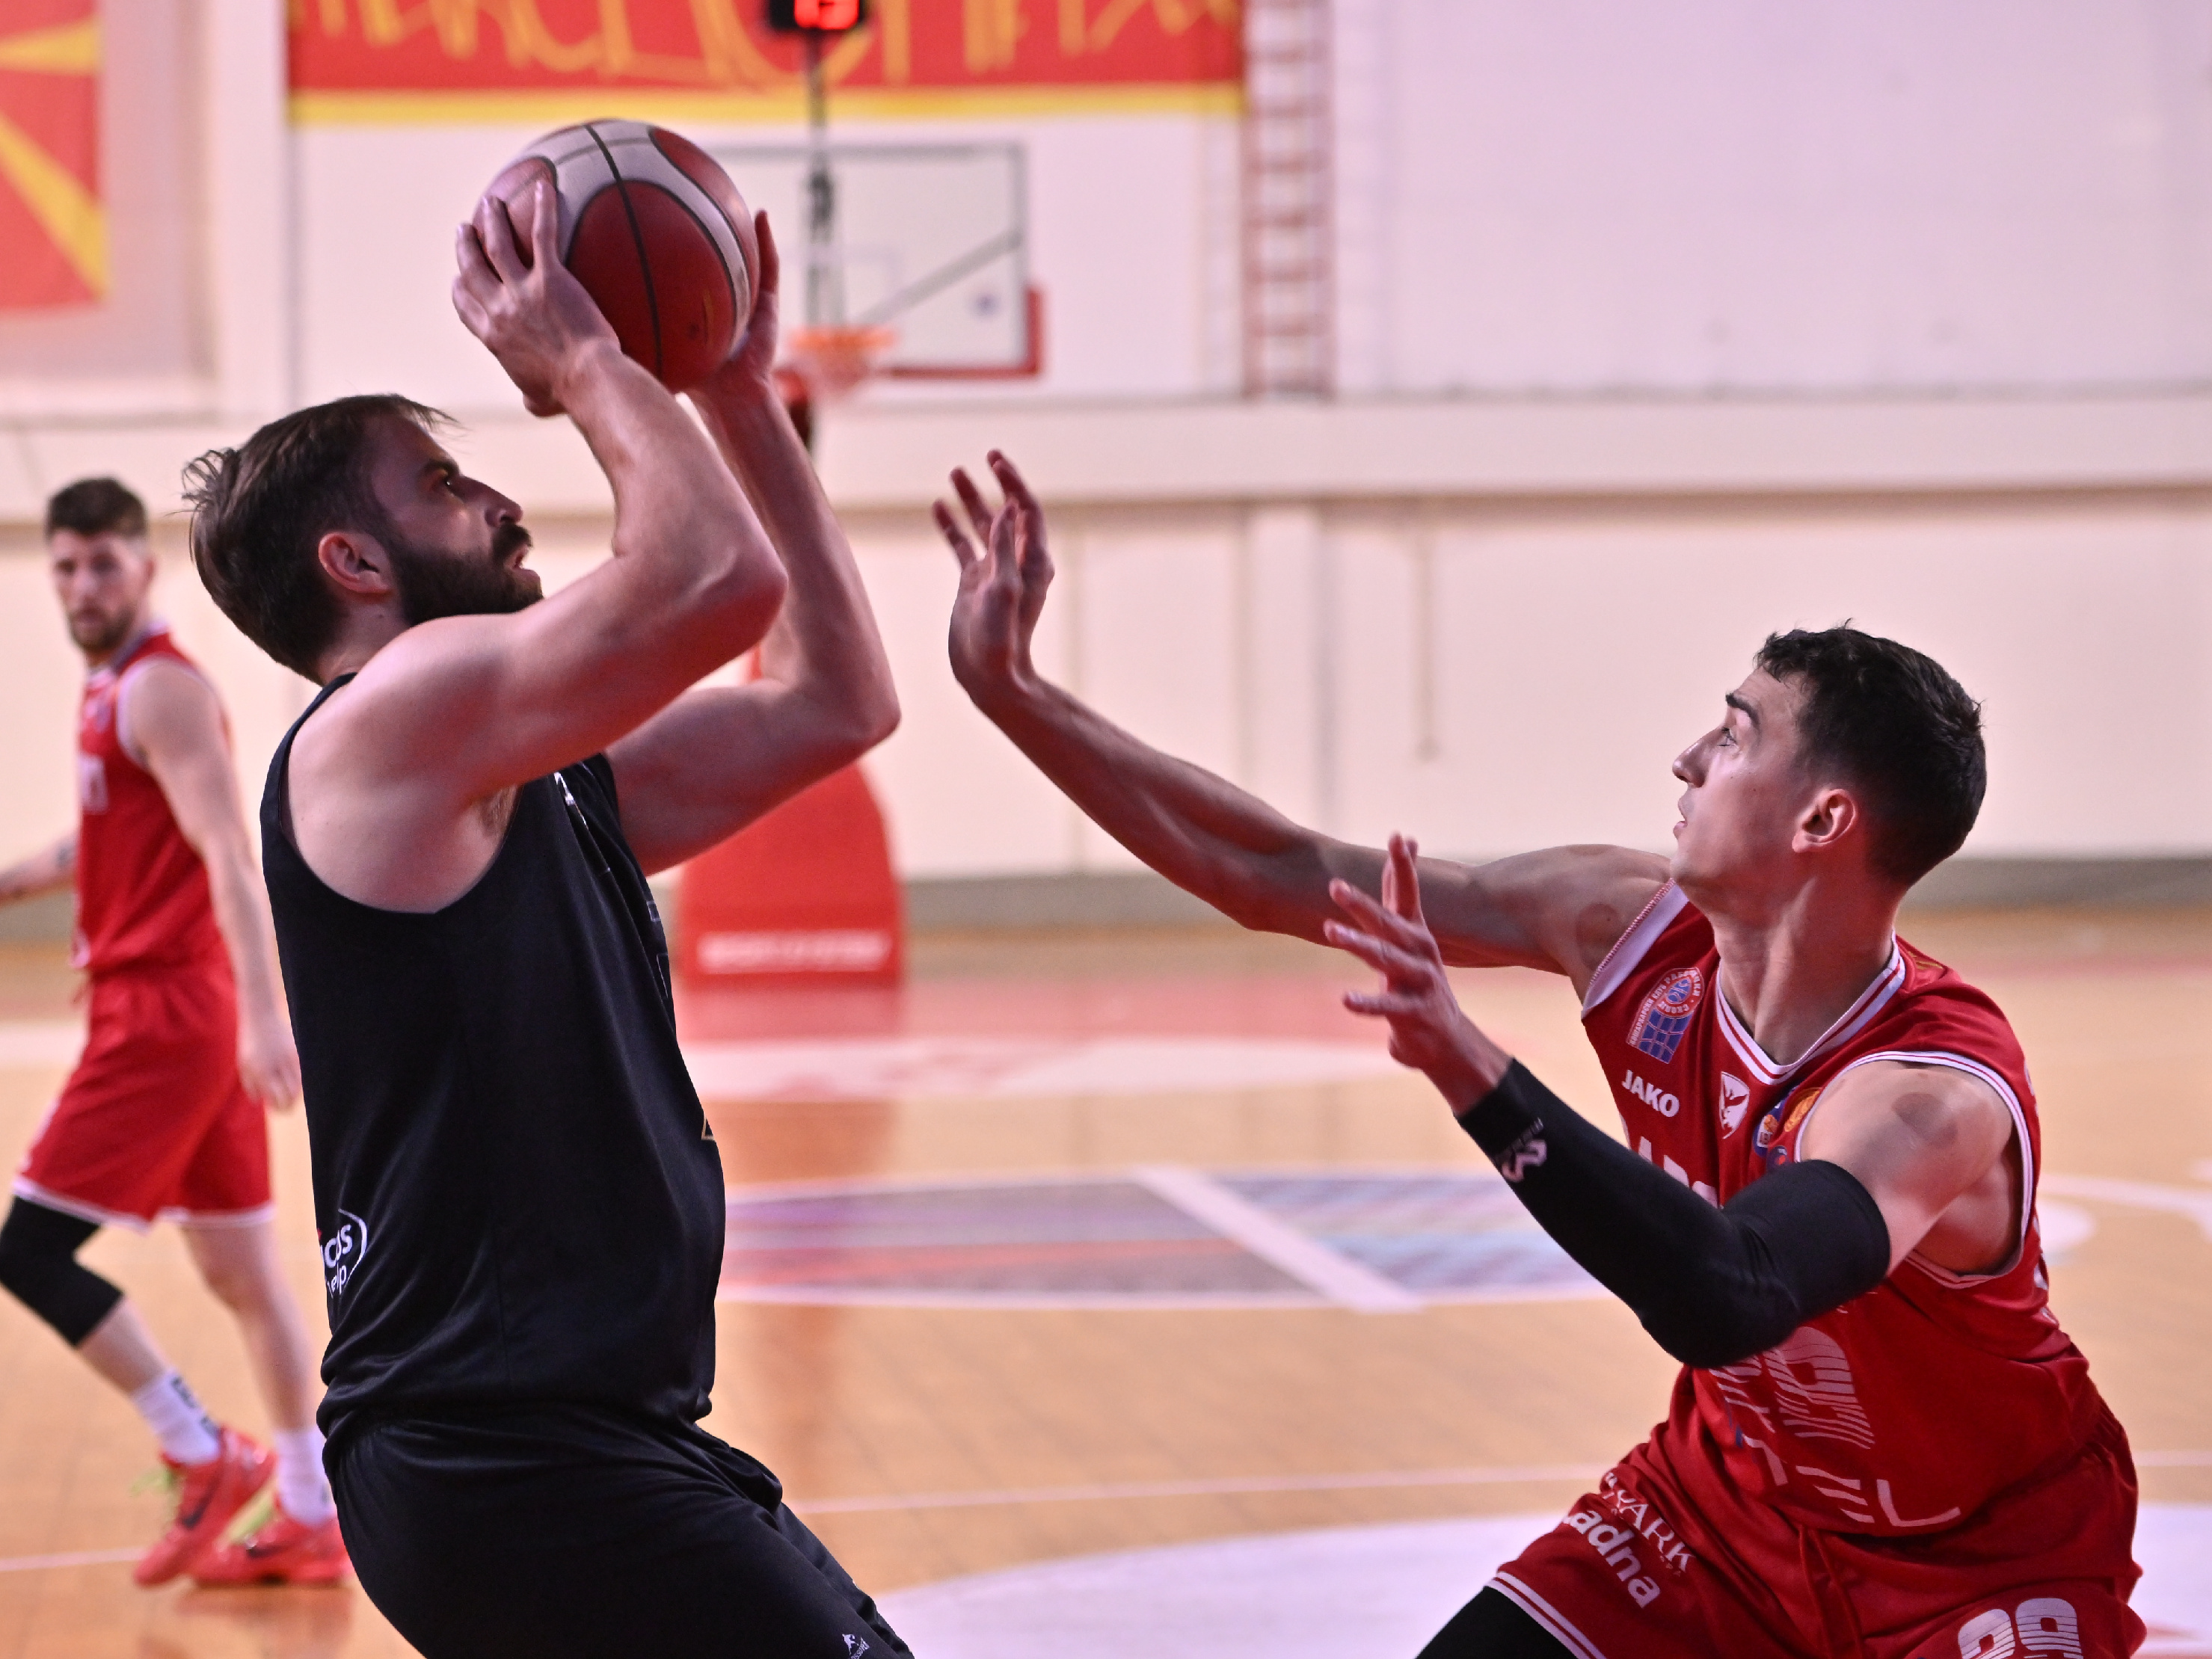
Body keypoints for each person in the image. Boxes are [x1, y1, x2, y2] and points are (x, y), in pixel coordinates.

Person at [935, 453, 2142, 1659]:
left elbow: (1731, 1294)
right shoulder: (1619, 925)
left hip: (1979, 1560)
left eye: (1733, 738)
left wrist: (1474, 1070)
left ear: (1821, 820)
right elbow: (1278, 872)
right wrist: (1017, 697)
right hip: (1722, 1519)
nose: (1686, 758)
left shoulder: (1923, 1096)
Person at [181, 186, 904, 1657]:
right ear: (355, 564)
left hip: (579, 1448)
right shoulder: (382, 726)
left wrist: (737, 391)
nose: (502, 501)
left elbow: (835, 700)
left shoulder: (525, 775)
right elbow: (712, 581)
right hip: (503, 1461)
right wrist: (586, 363)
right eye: (446, 485)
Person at [0, 478, 345, 1586]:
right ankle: (311, 1508)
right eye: (64, 566)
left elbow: (230, 857)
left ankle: (199, 1448)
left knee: (25, 1251)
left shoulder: (160, 689)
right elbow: (101, 841)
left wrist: (265, 1017)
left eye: (102, 563)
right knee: (243, 1273)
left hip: (165, 1015)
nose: (81, 586)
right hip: (179, 1010)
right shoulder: (112, 690)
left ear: (144, 569)